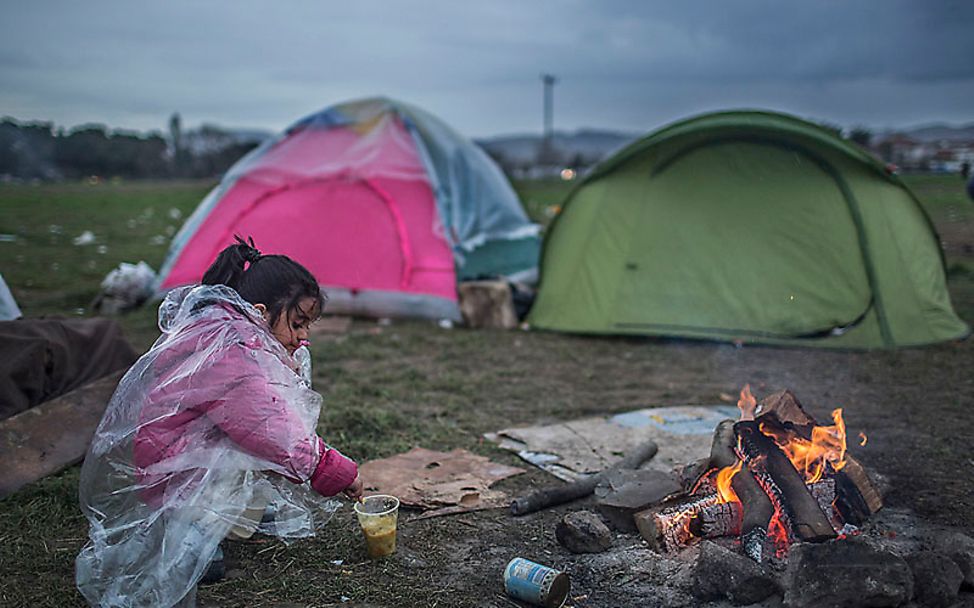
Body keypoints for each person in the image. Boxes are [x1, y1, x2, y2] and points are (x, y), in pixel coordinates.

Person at [75, 237, 363, 608]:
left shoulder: (223, 332)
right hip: (176, 477)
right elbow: (273, 429)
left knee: (255, 477)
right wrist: (334, 470)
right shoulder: (230, 354)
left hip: (180, 457)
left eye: (309, 324)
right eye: (297, 323)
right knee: (186, 555)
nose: (304, 336)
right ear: (260, 313)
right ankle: (191, 536)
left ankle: (231, 516)